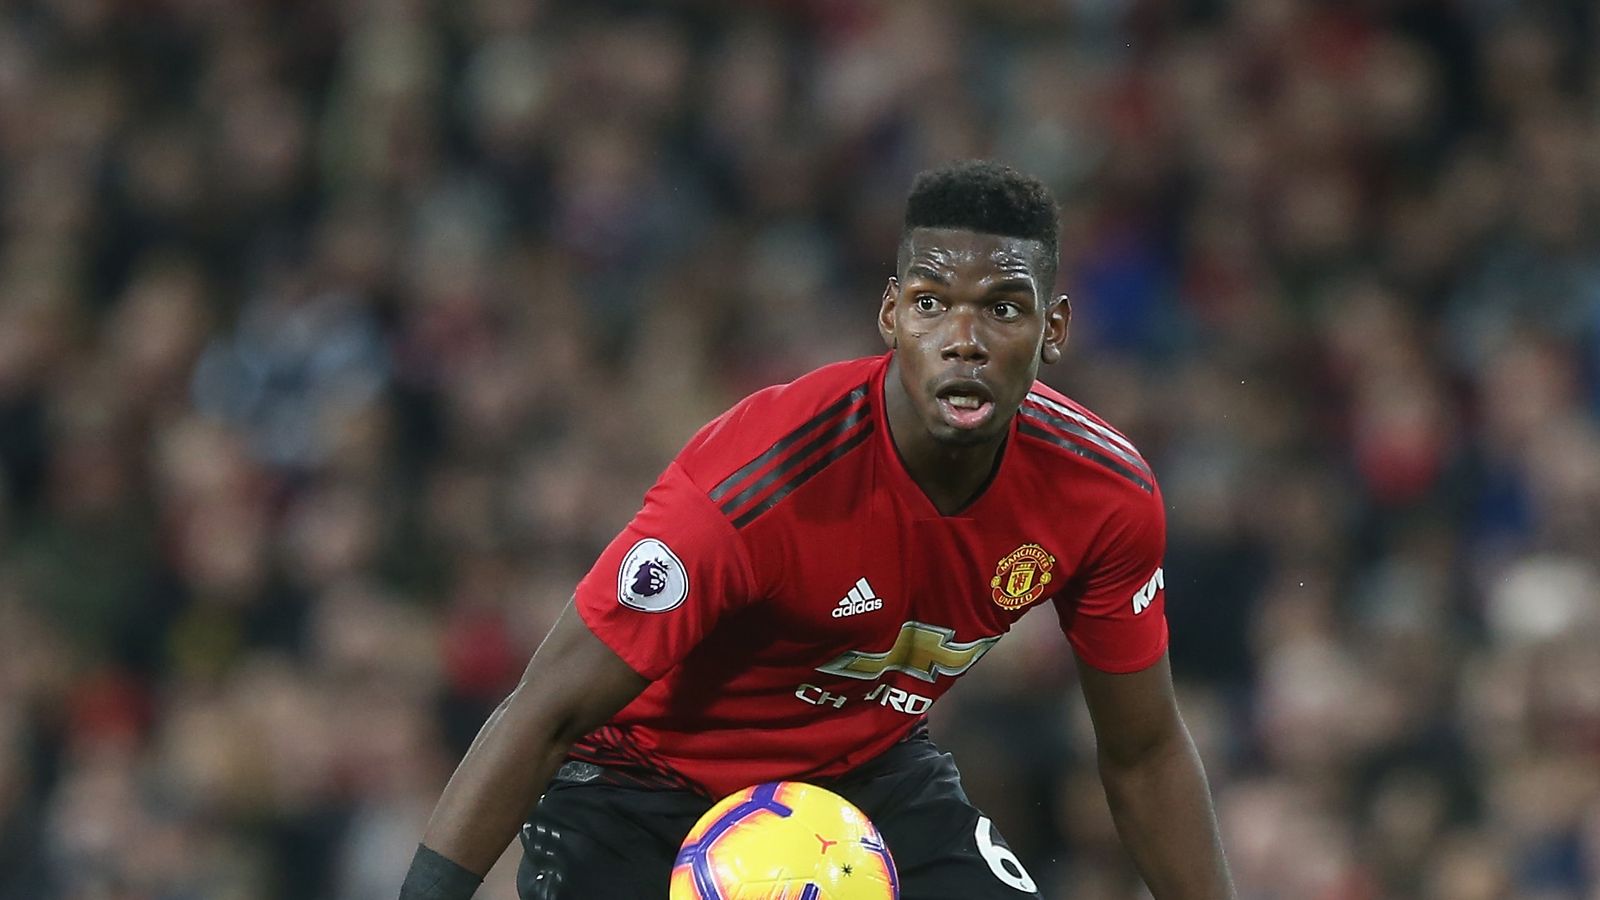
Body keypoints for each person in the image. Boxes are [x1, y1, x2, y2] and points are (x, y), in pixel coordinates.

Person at [400, 160, 1237, 900]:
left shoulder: (1104, 494)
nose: (964, 340)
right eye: (932, 304)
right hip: (639, 788)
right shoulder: (757, 484)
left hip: (864, 777)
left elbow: (1145, 752)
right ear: (891, 316)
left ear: (1052, 330)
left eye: (1003, 309)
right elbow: (541, 711)